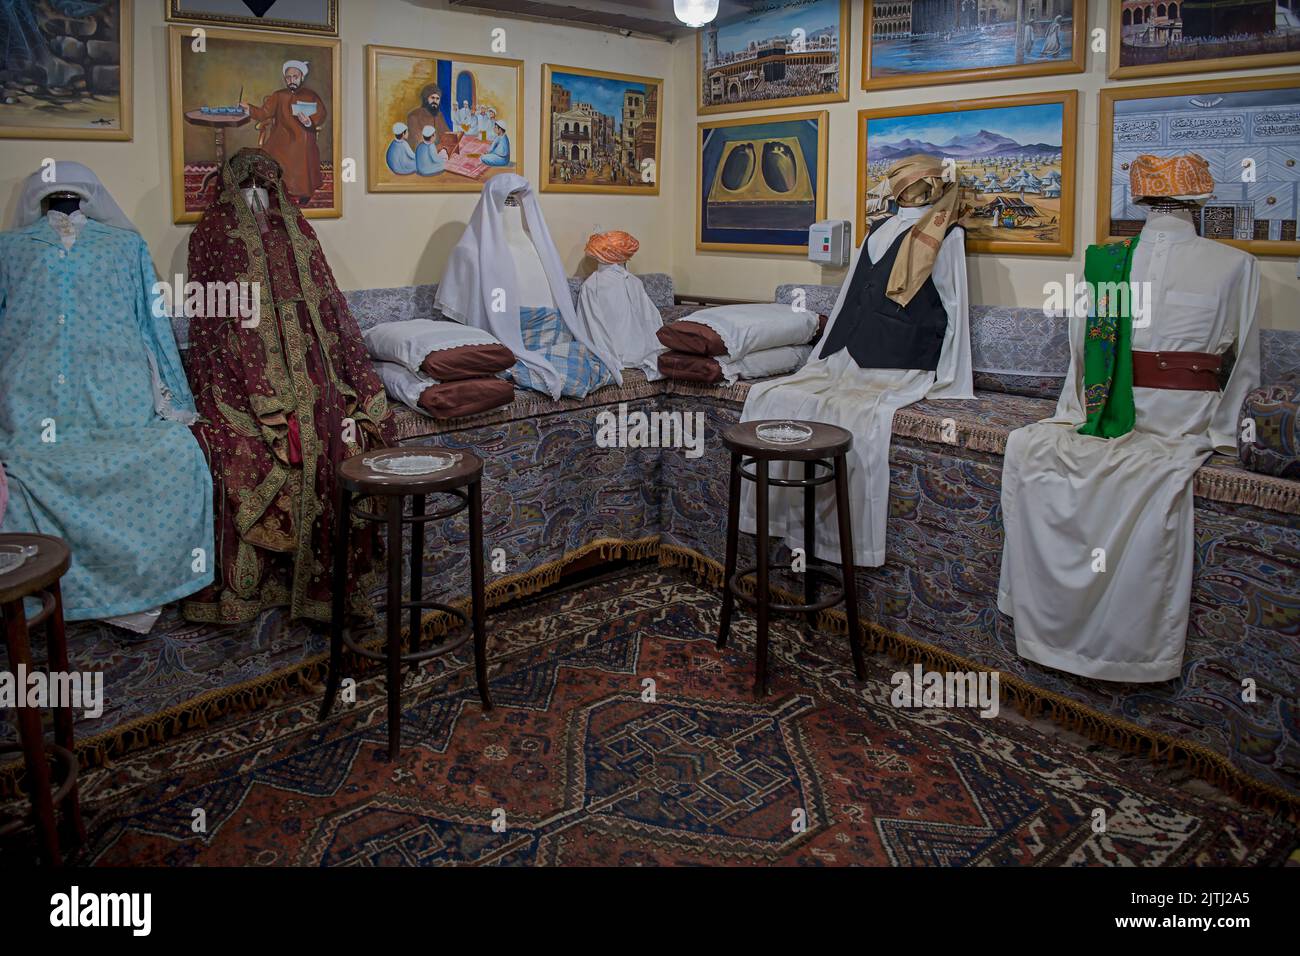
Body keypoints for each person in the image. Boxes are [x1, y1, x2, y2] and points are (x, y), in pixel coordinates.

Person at [183, 149, 397, 625]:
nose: (259, 197)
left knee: (340, 438)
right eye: (250, 187)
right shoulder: (212, 233)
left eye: (268, 186)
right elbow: (210, 325)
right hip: (241, 374)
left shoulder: (298, 230)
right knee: (242, 450)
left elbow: (331, 308)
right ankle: (266, 587)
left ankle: (330, 585)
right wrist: (252, 387)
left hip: (316, 369)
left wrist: (343, 379)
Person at [0, 162, 213, 631]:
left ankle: (144, 591)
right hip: (32, 400)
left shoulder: (125, 245)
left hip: (118, 392)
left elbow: (152, 320)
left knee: (174, 455)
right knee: (23, 469)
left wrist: (174, 398)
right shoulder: (10, 248)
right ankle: (59, 594)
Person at [241, 60, 326, 203]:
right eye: (288, 77)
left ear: (302, 77)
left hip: (303, 136)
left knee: (301, 150)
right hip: (280, 135)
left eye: (295, 77)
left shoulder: (311, 96)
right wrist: (249, 108)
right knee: (270, 153)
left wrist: (308, 121)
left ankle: (304, 192)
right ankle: (276, 188)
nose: (291, 80)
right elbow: (263, 113)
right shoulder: (279, 95)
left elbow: (321, 114)